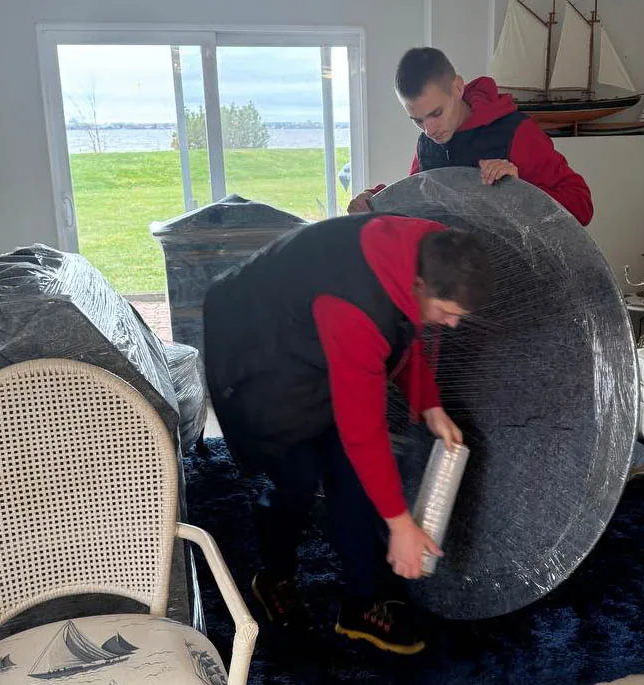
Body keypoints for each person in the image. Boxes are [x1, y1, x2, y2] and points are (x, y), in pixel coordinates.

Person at [202, 213, 492, 655]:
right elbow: (363, 430)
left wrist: (429, 403)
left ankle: (359, 604)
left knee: (351, 479)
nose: (451, 325)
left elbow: (400, 329)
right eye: (448, 313)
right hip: (260, 354)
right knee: (297, 477)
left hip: (318, 336)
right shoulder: (353, 305)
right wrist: (400, 525)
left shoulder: (428, 249)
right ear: (420, 286)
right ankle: (273, 575)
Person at [348, 47, 594, 226]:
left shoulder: (515, 131)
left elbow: (582, 206)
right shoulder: (426, 143)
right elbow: (417, 201)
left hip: (518, 283)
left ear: (457, 87)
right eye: (418, 121)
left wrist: (521, 190)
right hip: (457, 285)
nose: (429, 130)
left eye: (436, 113)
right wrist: (374, 200)